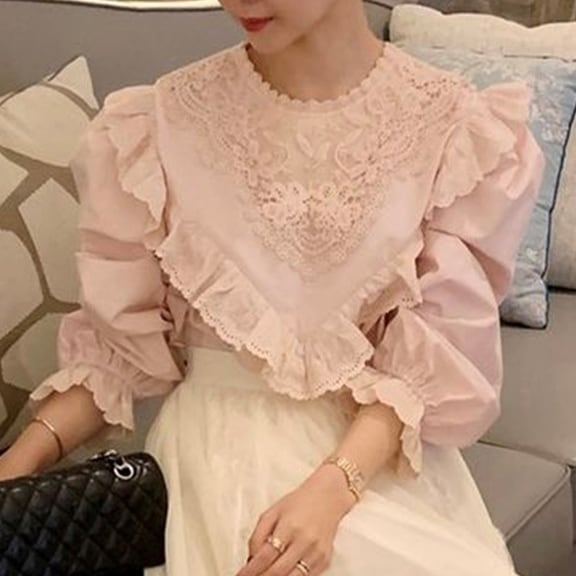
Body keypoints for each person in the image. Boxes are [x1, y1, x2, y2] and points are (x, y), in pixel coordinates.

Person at [0, 0, 544, 575]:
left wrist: (335, 487)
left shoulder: (458, 129)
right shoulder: (156, 124)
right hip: (212, 468)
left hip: (375, 462)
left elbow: (433, 359)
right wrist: (18, 467)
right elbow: (116, 352)